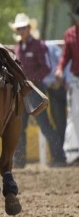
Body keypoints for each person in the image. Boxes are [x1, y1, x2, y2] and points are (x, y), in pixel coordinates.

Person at [9, 13, 67, 168]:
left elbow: (46, 67)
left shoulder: (39, 46)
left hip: (35, 90)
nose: (21, 31)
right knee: (20, 125)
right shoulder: (19, 47)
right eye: (19, 29)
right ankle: (19, 160)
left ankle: (59, 157)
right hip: (23, 91)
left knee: (44, 124)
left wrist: (30, 79)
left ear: (29, 28)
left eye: (23, 28)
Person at [55, 4, 79, 164]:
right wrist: (60, 69)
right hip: (77, 78)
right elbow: (65, 55)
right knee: (75, 114)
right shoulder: (69, 35)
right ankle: (73, 152)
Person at [44, 41, 69, 143]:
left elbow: (65, 60)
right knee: (59, 120)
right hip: (51, 90)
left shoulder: (50, 47)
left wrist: (66, 79)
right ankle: (66, 150)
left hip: (65, 86)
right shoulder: (25, 49)